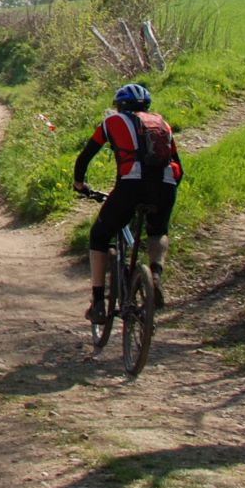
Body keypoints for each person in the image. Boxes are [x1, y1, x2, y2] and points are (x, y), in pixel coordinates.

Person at [71, 81, 183, 325]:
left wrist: (79, 185)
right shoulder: (162, 124)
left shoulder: (111, 122)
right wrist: (164, 196)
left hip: (130, 186)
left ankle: (99, 302)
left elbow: (84, 158)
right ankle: (155, 274)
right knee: (158, 230)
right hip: (165, 186)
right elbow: (178, 169)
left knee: (99, 235)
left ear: (120, 106)